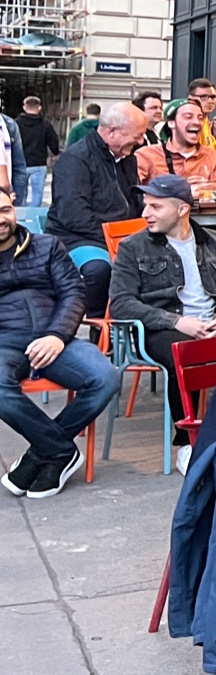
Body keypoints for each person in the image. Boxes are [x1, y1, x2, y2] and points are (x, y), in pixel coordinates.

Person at [109, 175, 216, 448]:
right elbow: (121, 303)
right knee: (184, 351)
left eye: (155, 207)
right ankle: (188, 441)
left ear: (182, 209)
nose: (145, 214)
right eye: (145, 205)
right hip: (162, 329)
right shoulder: (133, 247)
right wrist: (177, 321)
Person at [0, 183, 119, 499]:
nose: (1, 219)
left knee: (105, 377)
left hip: (59, 336)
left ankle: (41, 454)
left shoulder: (46, 246)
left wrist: (56, 335)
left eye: (4, 210)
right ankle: (60, 449)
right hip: (6, 343)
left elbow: (73, 292)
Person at [46, 101, 146, 316]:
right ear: (112, 132)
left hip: (123, 237)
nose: (141, 141)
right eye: (137, 135)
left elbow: (135, 203)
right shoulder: (75, 159)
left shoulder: (128, 158)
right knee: (101, 270)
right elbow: (73, 216)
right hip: (78, 238)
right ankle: (97, 327)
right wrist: (117, 241)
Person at [134, 99, 216, 192]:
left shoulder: (213, 156)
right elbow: (133, 192)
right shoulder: (146, 155)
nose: (197, 122)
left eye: (200, 118)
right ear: (171, 123)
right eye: (188, 117)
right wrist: (181, 190)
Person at [14, 96, 60, 208]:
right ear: (39, 108)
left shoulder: (15, 124)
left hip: (20, 164)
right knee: (37, 194)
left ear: (24, 107)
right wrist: (55, 153)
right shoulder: (46, 124)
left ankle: (21, 216)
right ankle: (33, 216)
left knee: (20, 194)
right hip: (39, 164)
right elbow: (53, 142)